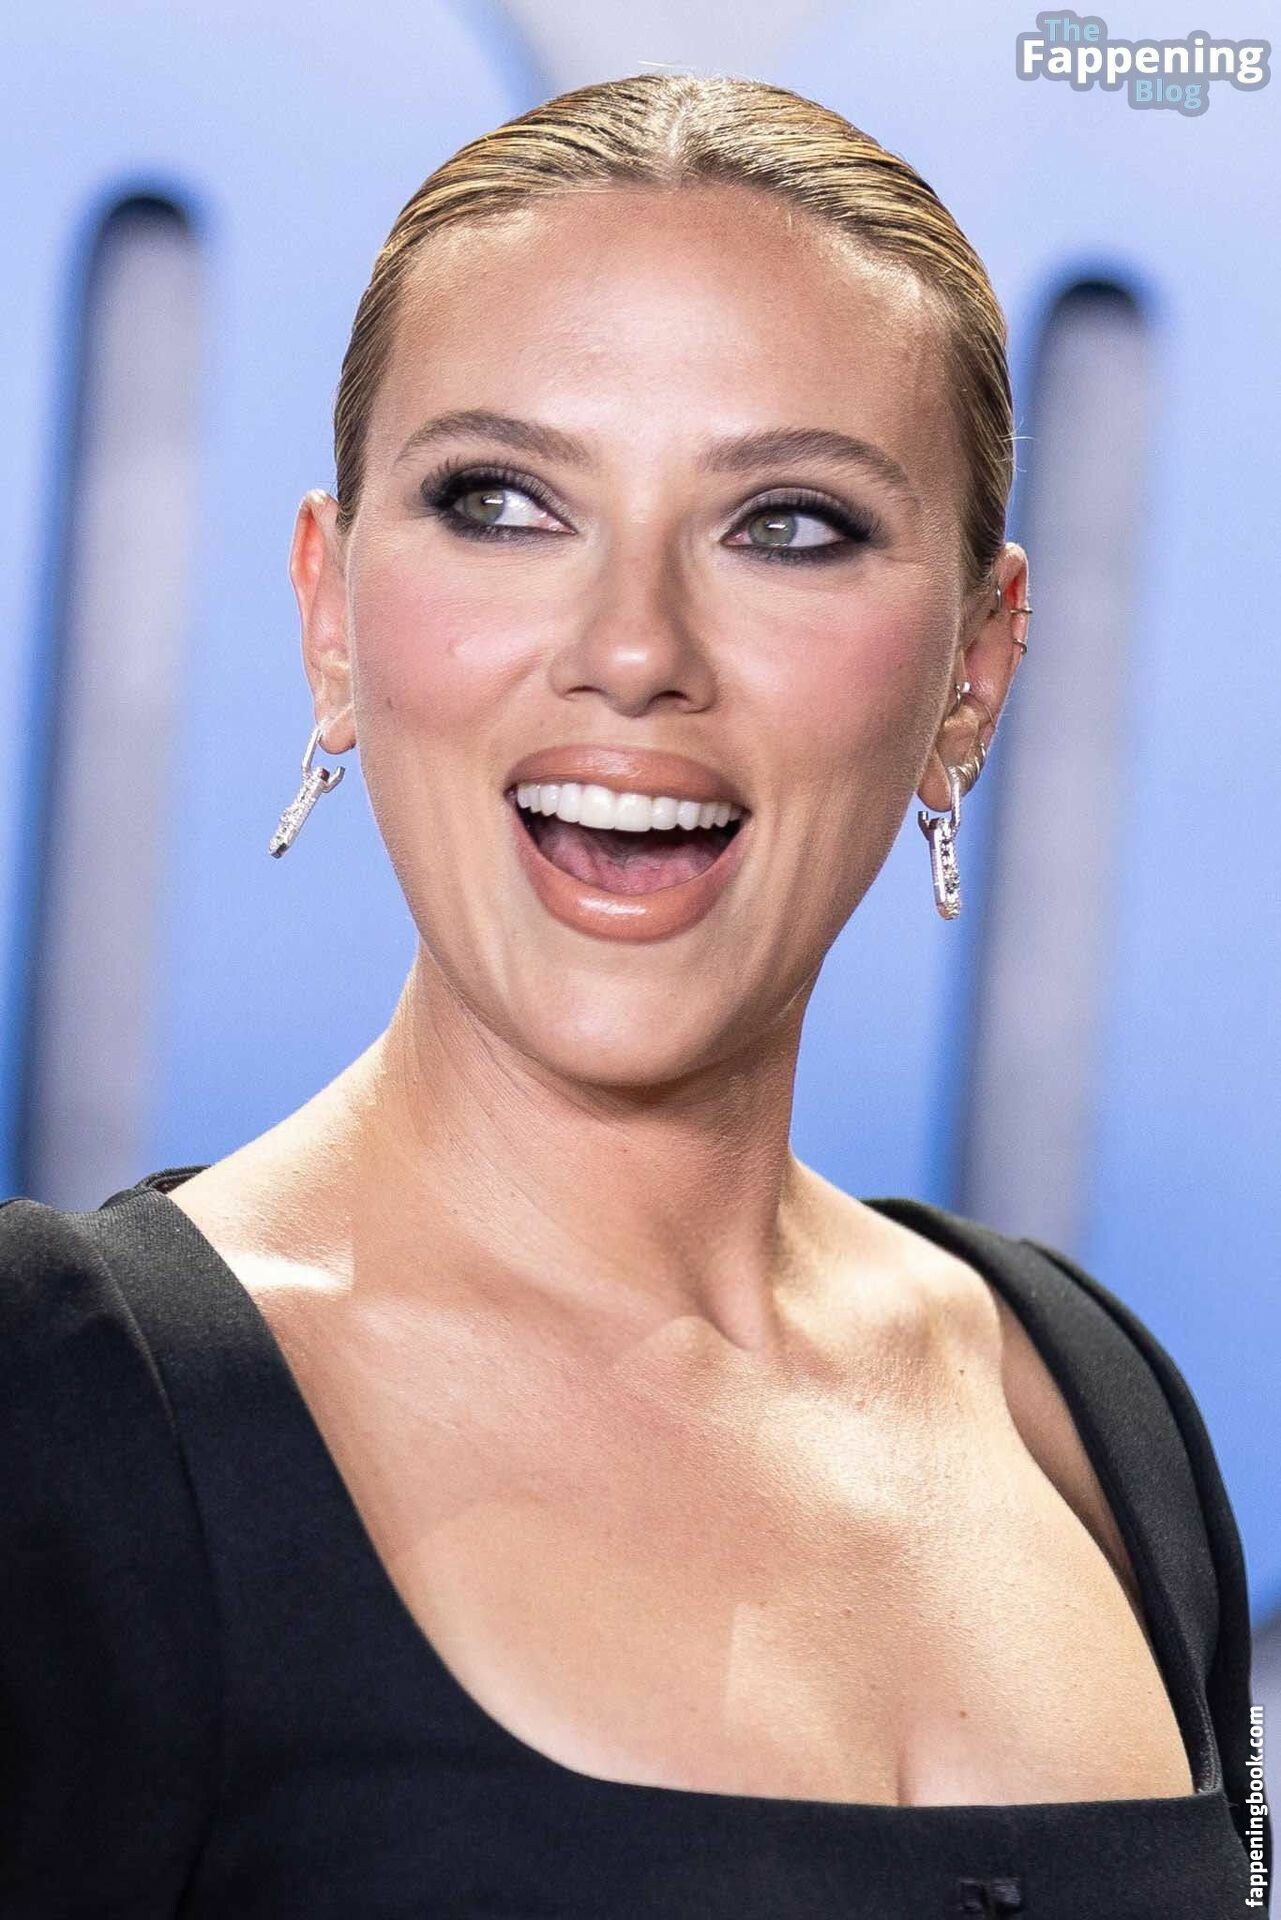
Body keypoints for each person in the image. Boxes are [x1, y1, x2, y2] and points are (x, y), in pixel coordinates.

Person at [1, 70, 1269, 1919]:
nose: (632, 650)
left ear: (975, 671)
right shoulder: (49, 1412)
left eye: (788, 525)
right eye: (502, 502)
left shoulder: (1082, 1397)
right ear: (330, 613)